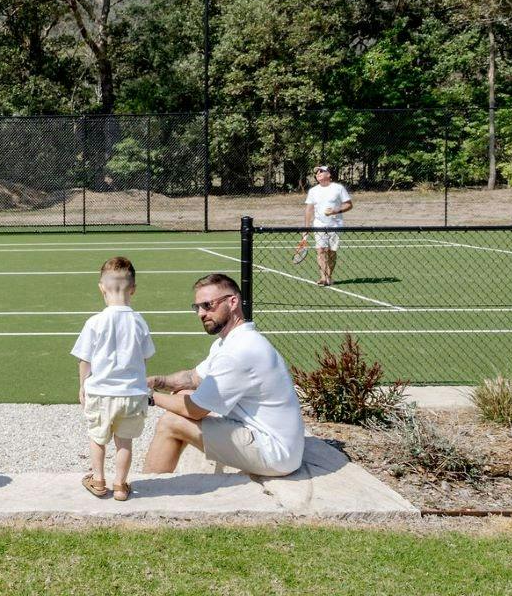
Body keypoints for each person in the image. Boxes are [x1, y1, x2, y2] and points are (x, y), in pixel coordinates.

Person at [141, 273, 305, 478]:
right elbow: (193, 378)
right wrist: (156, 381)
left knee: (171, 422)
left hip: (275, 454)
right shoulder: (232, 341)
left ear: (233, 302)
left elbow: (195, 411)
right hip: (271, 440)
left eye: (208, 305)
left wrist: (147, 396)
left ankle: (149, 490)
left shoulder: (238, 352)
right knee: (183, 392)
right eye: (197, 307)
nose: (201, 313)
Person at [72, 256, 154, 500]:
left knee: (98, 438)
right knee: (124, 442)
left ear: (101, 288)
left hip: (100, 392)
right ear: (133, 290)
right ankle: (120, 485)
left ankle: (98, 480)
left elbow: (84, 359)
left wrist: (82, 386)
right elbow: (145, 356)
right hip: (131, 393)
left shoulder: (95, 321)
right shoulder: (139, 321)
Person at [300, 164, 353, 286]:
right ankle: (323, 277)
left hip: (336, 225)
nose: (318, 173)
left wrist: (336, 211)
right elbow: (309, 209)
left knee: (331, 252)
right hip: (319, 224)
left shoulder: (338, 188)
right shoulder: (313, 191)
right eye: (316, 172)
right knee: (320, 250)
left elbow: (349, 205)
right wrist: (306, 227)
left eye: (321, 171)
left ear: (329, 174)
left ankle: (329, 276)